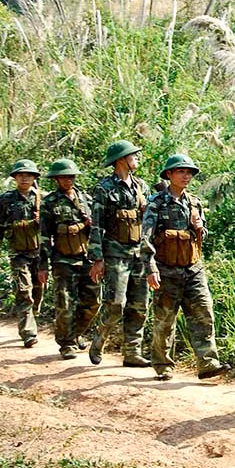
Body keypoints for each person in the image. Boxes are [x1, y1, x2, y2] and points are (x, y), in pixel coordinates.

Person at [141, 154, 231, 381]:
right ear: (169, 175)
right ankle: (163, 365)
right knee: (164, 320)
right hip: (166, 269)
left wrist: (199, 228)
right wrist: (151, 268)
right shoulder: (156, 203)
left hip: (193, 269)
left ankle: (208, 363)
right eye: (181, 171)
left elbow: (202, 237)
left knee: (204, 313)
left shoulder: (194, 203)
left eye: (189, 172)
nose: (186, 176)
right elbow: (145, 238)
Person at [87, 140, 151, 367]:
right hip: (115, 253)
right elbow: (96, 225)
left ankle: (132, 352)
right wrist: (97, 258)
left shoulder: (142, 186)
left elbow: (148, 223)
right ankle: (100, 338)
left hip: (138, 254)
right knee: (116, 304)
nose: (137, 158)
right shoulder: (104, 188)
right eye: (134, 155)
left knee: (140, 304)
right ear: (122, 159)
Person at [37, 159, 101, 360]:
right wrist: (42, 265)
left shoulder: (86, 199)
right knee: (65, 304)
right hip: (63, 260)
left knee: (93, 302)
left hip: (87, 259)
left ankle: (76, 333)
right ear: (56, 179)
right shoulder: (50, 203)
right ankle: (66, 344)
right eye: (64, 177)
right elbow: (45, 235)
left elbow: (99, 229)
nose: (68, 180)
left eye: (71, 176)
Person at [0, 159, 45, 348]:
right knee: (23, 291)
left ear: (34, 177)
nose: (24, 178)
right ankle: (28, 332)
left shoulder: (43, 199)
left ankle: (32, 315)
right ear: (15, 177)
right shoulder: (5, 200)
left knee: (38, 290)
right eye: (21, 175)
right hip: (18, 253)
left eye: (28, 175)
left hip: (39, 252)